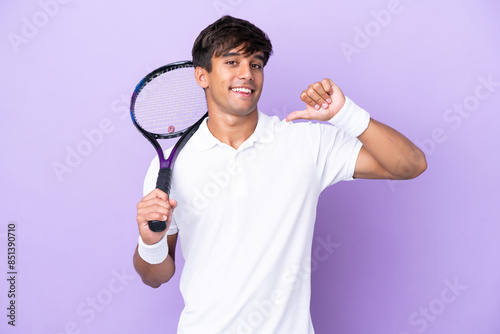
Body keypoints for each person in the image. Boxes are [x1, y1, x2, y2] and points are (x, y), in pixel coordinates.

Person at [133, 15, 426, 334]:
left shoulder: (306, 143)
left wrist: (345, 114)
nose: (247, 74)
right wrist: (150, 242)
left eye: (256, 64)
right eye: (232, 61)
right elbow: (154, 277)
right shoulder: (170, 166)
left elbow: (410, 165)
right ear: (202, 76)